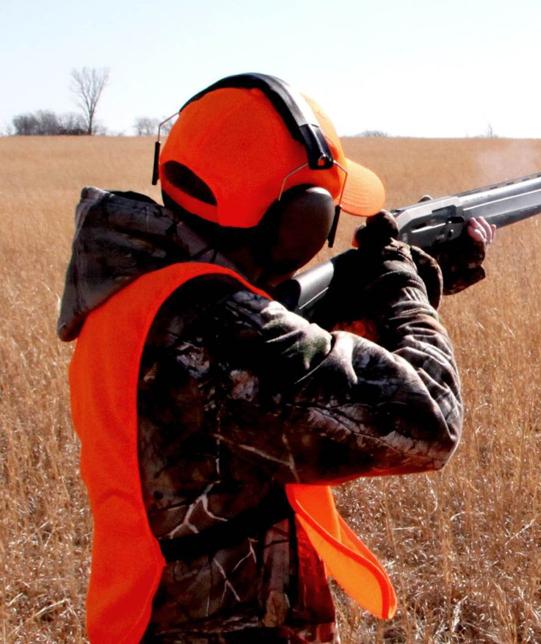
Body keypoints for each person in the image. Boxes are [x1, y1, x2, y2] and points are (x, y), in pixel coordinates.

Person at [56, 73, 494, 642]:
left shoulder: (145, 284)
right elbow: (429, 421)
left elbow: (293, 362)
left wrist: (418, 278)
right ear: (299, 218)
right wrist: (403, 292)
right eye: (325, 210)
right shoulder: (216, 321)